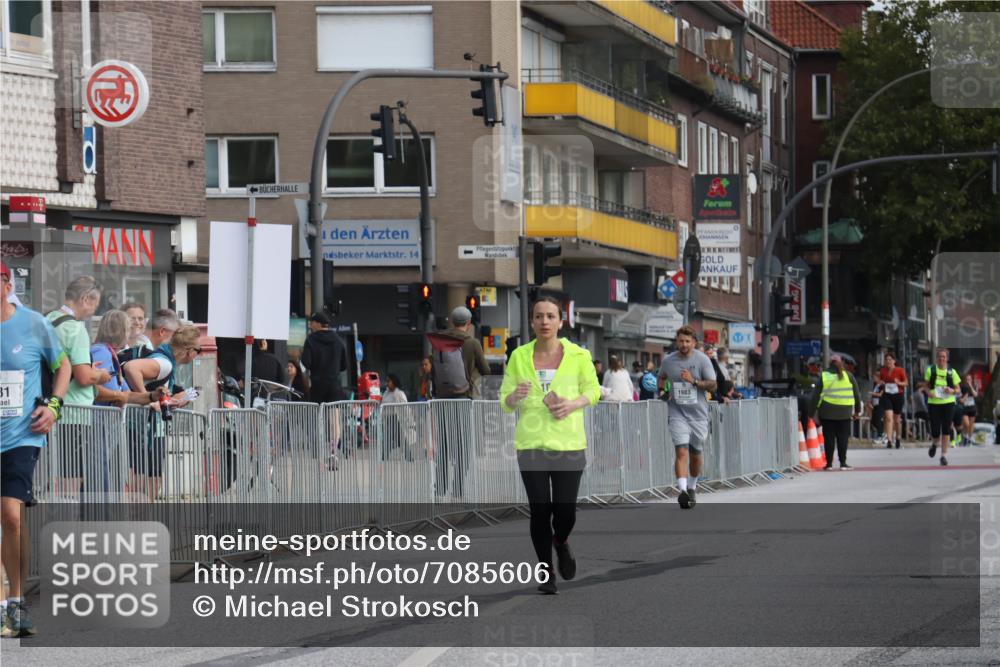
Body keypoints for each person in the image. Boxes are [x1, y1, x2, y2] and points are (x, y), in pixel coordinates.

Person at [500, 297, 601, 595]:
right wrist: (514, 396)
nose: (544, 321)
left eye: (550, 316)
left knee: (565, 511)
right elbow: (505, 402)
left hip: (569, 443)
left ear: (560, 321)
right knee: (540, 510)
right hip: (531, 444)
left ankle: (561, 542)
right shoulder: (519, 356)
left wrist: (572, 404)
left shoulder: (578, 355)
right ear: (532, 321)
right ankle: (546, 572)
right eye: (538, 316)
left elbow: (593, 390)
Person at [1, 262, 71, 638]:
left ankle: (16, 602)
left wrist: (54, 406)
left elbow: (63, 367)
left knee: (11, 515)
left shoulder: (32, 324)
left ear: (6, 283)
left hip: (20, 435)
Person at [45, 276, 112, 493]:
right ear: (85, 299)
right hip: (75, 415)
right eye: (94, 303)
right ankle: (66, 525)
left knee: (52, 477)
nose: (93, 311)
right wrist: (100, 375)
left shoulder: (48, 320)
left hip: (48, 408)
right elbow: (83, 377)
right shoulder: (75, 329)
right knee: (71, 480)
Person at [122, 326, 201, 499]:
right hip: (142, 427)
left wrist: (170, 400)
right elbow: (131, 368)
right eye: (198, 350)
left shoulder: (167, 363)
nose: (198, 354)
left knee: (153, 479)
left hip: (150, 428)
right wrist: (147, 399)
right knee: (141, 481)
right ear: (189, 351)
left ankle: (143, 520)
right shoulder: (164, 363)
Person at [427, 307, 490, 497]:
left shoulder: (438, 341)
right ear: (469, 323)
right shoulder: (471, 343)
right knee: (462, 444)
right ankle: (458, 488)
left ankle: (440, 486)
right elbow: (486, 370)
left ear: (452, 321)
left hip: (442, 399)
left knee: (445, 444)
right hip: (463, 398)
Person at [658, 326, 717, 509]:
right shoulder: (668, 361)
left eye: (687, 341)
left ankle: (692, 487)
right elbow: (661, 378)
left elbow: (713, 385)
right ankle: (682, 491)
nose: (683, 344)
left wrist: (694, 381)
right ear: (676, 341)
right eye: (681, 341)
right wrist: (663, 391)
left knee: (696, 454)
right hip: (677, 413)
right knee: (681, 451)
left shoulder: (702, 360)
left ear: (694, 343)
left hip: (698, 415)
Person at [91, 310, 161, 408]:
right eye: (128, 329)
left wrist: (152, 396)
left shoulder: (110, 354)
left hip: (110, 421)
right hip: (98, 420)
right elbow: (92, 389)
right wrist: (118, 396)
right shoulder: (101, 352)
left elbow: (128, 395)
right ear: (120, 331)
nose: (129, 334)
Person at [811, 354, 863, 470]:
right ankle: (843, 463)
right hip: (844, 412)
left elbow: (815, 396)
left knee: (828, 438)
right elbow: (857, 395)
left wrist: (811, 413)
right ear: (841, 363)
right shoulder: (848, 375)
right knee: (843, 438)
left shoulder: (823, 376)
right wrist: (857, 411)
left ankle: (829, 464)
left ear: (830, 363)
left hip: (827, 412)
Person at [920, 348, 961, 466]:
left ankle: (943, 456)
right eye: (939, 357)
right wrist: (929, 392)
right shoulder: (931, 370)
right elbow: (925, 386)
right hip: (934, 404)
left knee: (946, 429)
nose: (941, 359)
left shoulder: (952, 372)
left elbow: (958, 389)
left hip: (948, 403)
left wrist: (952, 390)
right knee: (936, 431)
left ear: (947, 359)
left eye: (944, 357)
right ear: (936, 358)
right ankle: (934, 444)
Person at [301, 312, 348, 404]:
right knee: (334, 412)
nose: (310, 326)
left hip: (317, 384)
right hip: (335, 384)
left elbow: (306, 363)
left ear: (318, 324)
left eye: (312, 323)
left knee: (318, 413)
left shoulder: (311, 339)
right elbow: (344, 366)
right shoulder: (338, 340)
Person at [877, 352, 907, 449]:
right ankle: (889, 441)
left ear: (894, 361)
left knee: (897, 420)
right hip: (887, 395)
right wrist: (881, 382)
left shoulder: (900, 370)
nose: (888, 361)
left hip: (898, 395)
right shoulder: (883, 370)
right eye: (886, 360)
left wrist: (898, 383)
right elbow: (880, 381)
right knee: (888, 417)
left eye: (890, 359)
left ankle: (898, 437)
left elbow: (906, 383)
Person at [958, 374, 978, 446]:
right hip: (964, 408)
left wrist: (971, 386)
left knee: (971, 425)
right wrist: (963, 398)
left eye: (969, 379)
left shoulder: (974, 386)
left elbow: (975, 395)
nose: (968, 381)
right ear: (964, 380)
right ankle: (965, 436)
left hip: (972, 408)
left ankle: (969, 439)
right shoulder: (961, 387)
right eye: (967, 379)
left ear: (971, 380)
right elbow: (959, 399)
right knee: (967, 424)